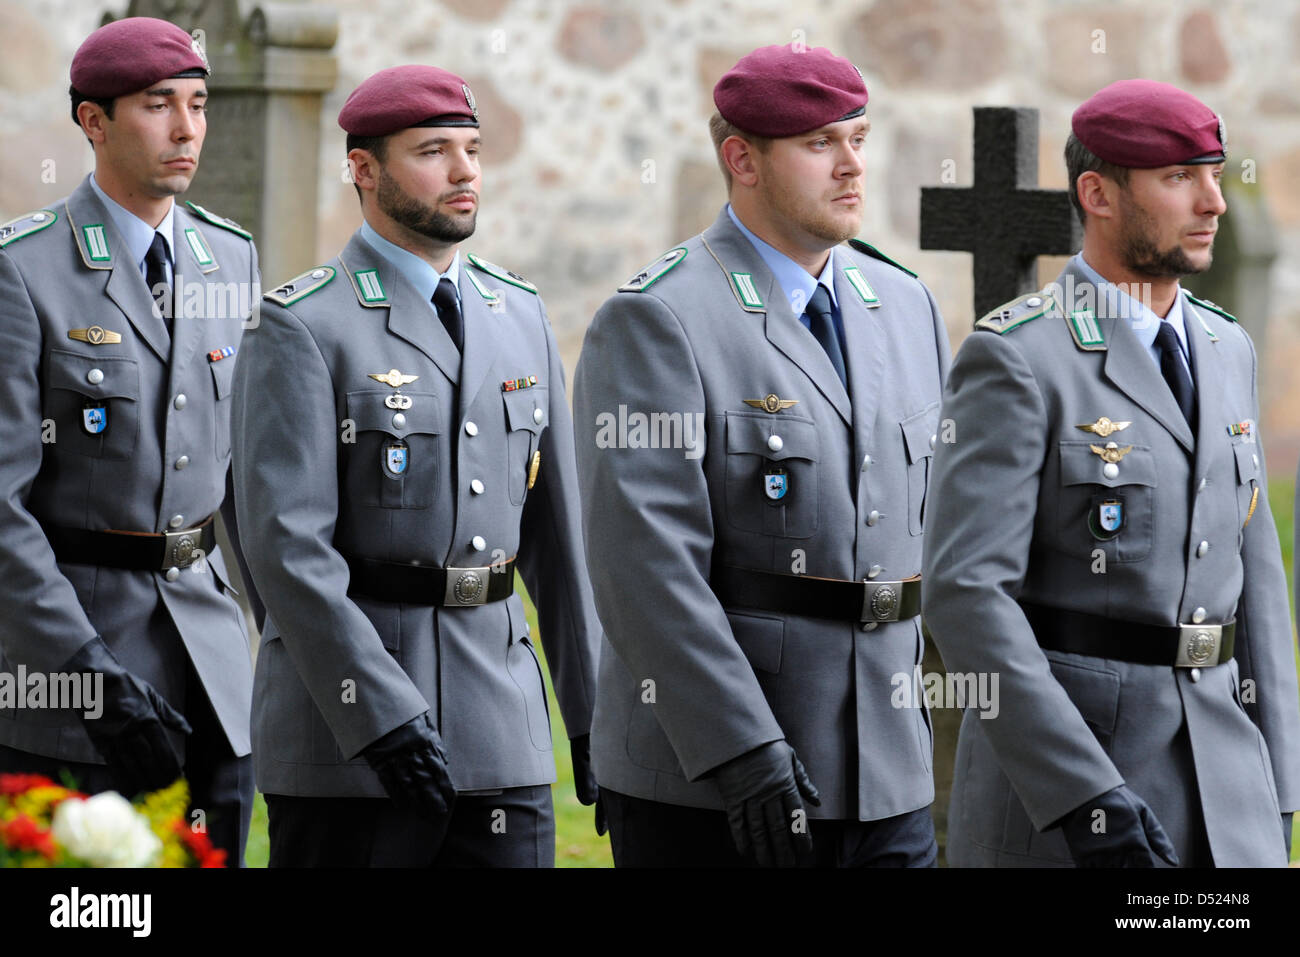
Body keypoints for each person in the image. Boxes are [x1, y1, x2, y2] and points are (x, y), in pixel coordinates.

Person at [573, 43, 951, 867]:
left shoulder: (906, 305)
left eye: (859, 137)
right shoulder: (660, 318)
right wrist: (742, 749)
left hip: (887, 770)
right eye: (821, 144)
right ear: (741, 158)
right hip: (716, 779)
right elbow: (645, 570)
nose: (852, 165)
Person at [231, 65, 602, 867]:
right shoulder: (301, 327)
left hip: (502, 733)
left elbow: (559, 541)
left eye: (472, 149)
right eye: (434, 151)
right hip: (349, 747)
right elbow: (286, 553)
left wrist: (592, 713)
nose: (465, 171)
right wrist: (379, 716)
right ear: (364, 170)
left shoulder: (521, 315)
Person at [924, 78, 1300, 867]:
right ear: (1097, 192)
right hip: (1076, 797)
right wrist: (1083, 795)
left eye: (1215, 174)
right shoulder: (1019, 357)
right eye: (1178, 178)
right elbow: (967, 595)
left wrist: (1279, 781)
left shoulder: (1226, 347)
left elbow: (1253, 568)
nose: (1213, 203)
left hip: (1228, 792)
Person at [0, 16, 260, 864]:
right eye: (158, 105)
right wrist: (85, 671)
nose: (187, 129)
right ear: (94, 121)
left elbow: (244, 482)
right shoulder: (24, 269)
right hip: (73, 673)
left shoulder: (231, 258)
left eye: (197, 104)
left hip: (214, 671)